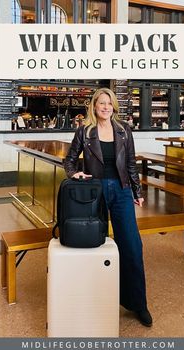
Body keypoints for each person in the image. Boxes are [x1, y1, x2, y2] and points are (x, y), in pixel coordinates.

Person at [64, 88, 152, 327]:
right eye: (101, 103)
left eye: (109, 103)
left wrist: (137, 192)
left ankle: (138, 303)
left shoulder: (124, 130)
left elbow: (131, 163)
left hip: (122, 192)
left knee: (132, 246)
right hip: (96, 192)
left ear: (114, 107)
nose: (105, 107)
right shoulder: (85, 131)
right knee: (94, 246)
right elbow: (70, 160)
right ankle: (95, 300)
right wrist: (75, 173)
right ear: (94, 106)